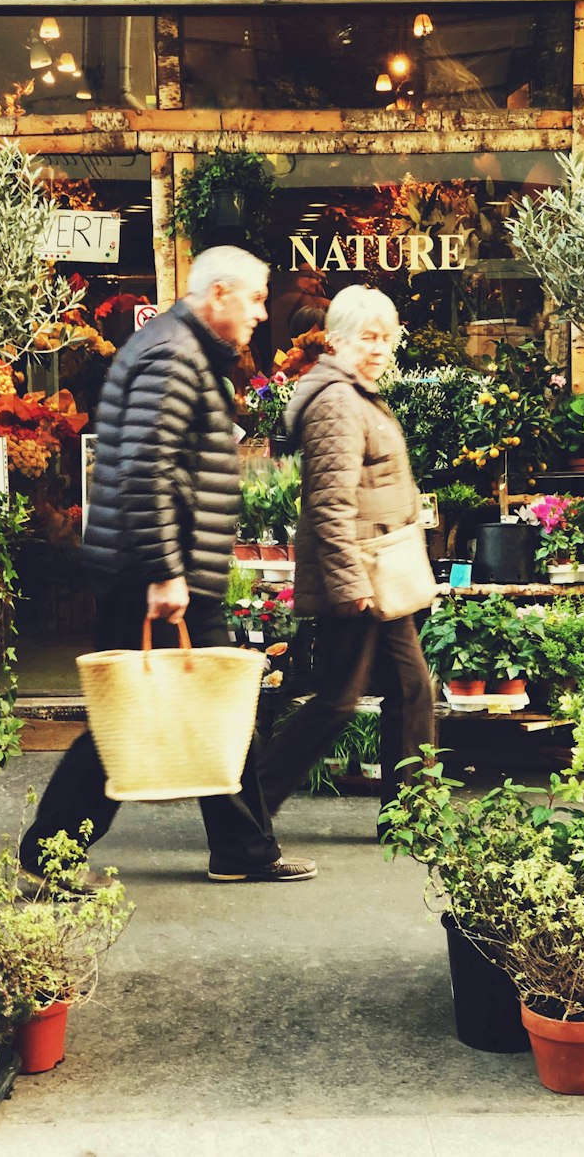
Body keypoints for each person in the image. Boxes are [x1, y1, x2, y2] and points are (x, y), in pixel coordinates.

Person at [20, 246, 316, 884]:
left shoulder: (183, 352)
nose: (263, 314)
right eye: (256, 298)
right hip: (149, 569)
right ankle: (48, 849)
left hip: (165, 564)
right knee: (132, 714)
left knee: (209, 703)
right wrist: (163, 571)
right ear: (218, 295)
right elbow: (144, 470)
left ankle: (242, 850)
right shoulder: (172, 356)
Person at [258, 284, 436, 821]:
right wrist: (351, 583)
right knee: (338, 701)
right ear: (335, 340)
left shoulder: (356, 394)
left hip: (377, 568)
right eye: (367, 338)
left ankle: (409, 817)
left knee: (410, 689)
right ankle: (248, 808)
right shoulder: (336, 401)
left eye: (386, 338)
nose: (379, 349)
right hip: (360, 573)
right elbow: (329, 504)